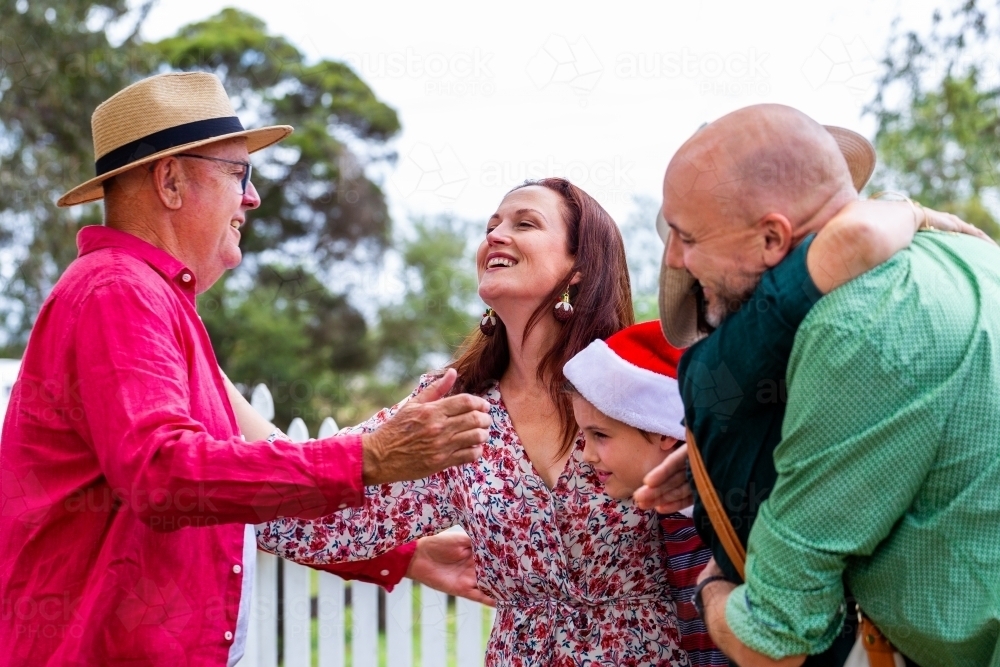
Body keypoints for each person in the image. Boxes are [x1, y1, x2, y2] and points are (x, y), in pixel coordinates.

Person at [0, 71, 492, 666]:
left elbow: (251, 484)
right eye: (240, 173)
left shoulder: (152, 302)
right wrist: (372, 457)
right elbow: (163, 473)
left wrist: (399, 555)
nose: (253, 198)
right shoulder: (118, 292)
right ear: (172, 181)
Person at [243, 177, 710, 666]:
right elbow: (312, 512)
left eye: (524, 223)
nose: (495, 235)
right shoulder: (451, 408)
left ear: (578, 267)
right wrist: (207, 384)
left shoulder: (639, 383)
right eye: (491, 226)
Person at [659, 104, 1000, 667]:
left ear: (773, 237)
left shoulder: (852, 327)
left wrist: (713, 586)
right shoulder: (968, 253)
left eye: (686, 237)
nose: (674, 258)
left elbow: (775, 642)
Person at [563, 320, 726, 667]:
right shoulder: (669, 518)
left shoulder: (729, 519)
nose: (587, 455)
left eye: (600, 435)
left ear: (664, 430)